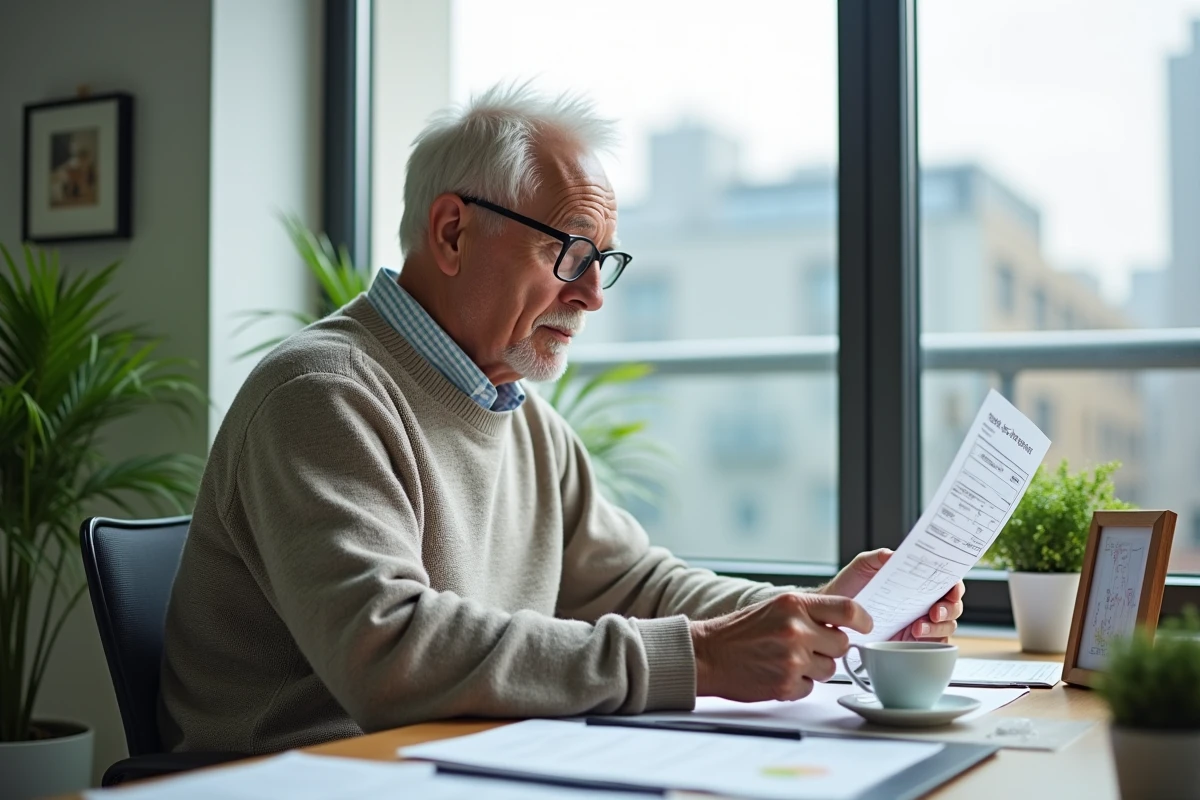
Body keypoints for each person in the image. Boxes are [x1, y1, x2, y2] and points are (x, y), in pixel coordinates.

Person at [158, 84, 964, 754]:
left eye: (603, 260)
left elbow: (639, 585)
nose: (593, 295)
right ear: (451, 232)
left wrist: (820, 613)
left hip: (454, 763)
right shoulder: (322, 393)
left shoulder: (520, 417)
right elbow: (390, 651)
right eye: (570, 252)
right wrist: (705, 657)